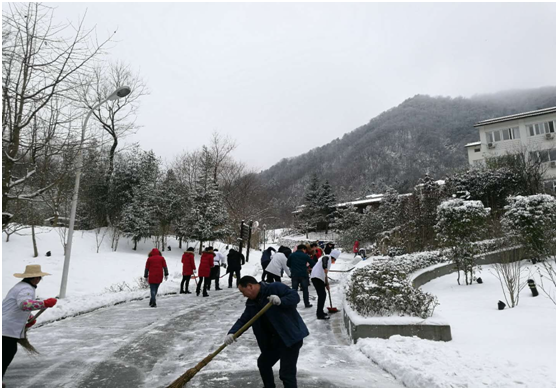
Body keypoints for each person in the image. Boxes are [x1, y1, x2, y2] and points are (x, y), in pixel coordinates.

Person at [224, 276, 309, 388]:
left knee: (286, 373)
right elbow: (244, 320)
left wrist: (281, 301)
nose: (243, 295)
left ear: (250, 286)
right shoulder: (251, 303)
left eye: (242, 291)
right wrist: (232, 333)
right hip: (274, 341)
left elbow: (295, 296)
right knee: (264, 363)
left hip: (290, 337)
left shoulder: (274, 287)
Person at [2, 265, 58, 383]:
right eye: (39, 277)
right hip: (7, 328)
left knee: (7, 352)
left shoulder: (20, 287)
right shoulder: (26, 289)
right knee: (6, 354)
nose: (39, 279)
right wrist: (44, 303)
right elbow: (24, 304)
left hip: (6, 326)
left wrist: (29, 317)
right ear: (35, 278)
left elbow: (14, 306)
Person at [310, 249, 340, 320]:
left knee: (322, 295)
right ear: (333, 258)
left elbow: (325, 275)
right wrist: (325, 267)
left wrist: (326, 284)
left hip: (318, 278)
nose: (334, 262)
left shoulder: (328, 262)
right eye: (334, 260)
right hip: (317, 277)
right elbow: (324, 260)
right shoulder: (327, 257)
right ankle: (319, 314)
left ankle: (321, 312)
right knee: (322, 295)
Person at [286, 244, 316, 308]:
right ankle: (307, 303)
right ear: (303, 249)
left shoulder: (291, 255)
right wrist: (308, 268)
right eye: (305, 250)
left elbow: (288, 264)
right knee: (305, 290)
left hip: (294, 275)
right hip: (303, 275)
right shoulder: (305, 256)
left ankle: (293, 304)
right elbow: (313, 263)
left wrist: (294, 267)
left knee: (294, 290)